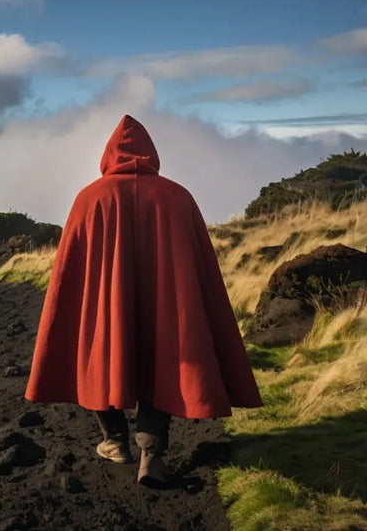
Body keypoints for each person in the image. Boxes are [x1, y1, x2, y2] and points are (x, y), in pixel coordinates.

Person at [24, 115, 263, 486]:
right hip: (167, 308)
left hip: (106, 308)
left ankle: (115, 441)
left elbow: (71, 268)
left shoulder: (88, 199)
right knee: (160, 361)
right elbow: (199, 263)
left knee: (100, 356)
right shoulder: (178, 196)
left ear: (107, 155)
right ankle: (151, 456)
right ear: (152, 154)